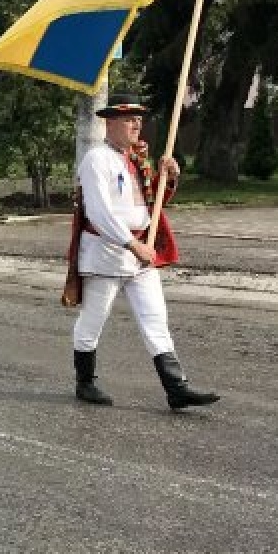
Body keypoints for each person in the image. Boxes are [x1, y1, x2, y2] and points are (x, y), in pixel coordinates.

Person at [70, 91, 220, 412]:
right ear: (110, 122)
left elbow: (154, 202)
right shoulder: (97, 159)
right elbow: (99, 214)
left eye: (139, 120)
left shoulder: (136, 158)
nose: (136, 125)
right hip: (107, 253)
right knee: (93, 320)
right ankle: (85, 382)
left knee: (155, 319)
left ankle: (176, 388)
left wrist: (171, 176)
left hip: (141, 253)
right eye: (129, 119)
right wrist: (132, 244)